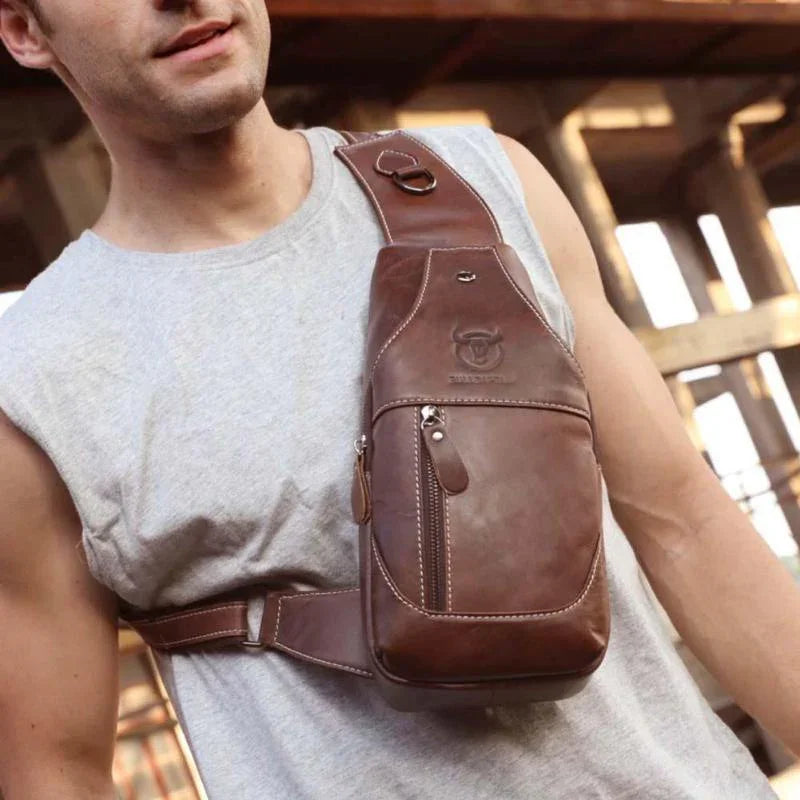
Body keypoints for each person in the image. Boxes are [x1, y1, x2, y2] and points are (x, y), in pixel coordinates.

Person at [0, 1, 798, 798]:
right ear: (26, 30)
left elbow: (686, 523)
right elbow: (55, 770)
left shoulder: (490, 186)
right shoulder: (35, 380)